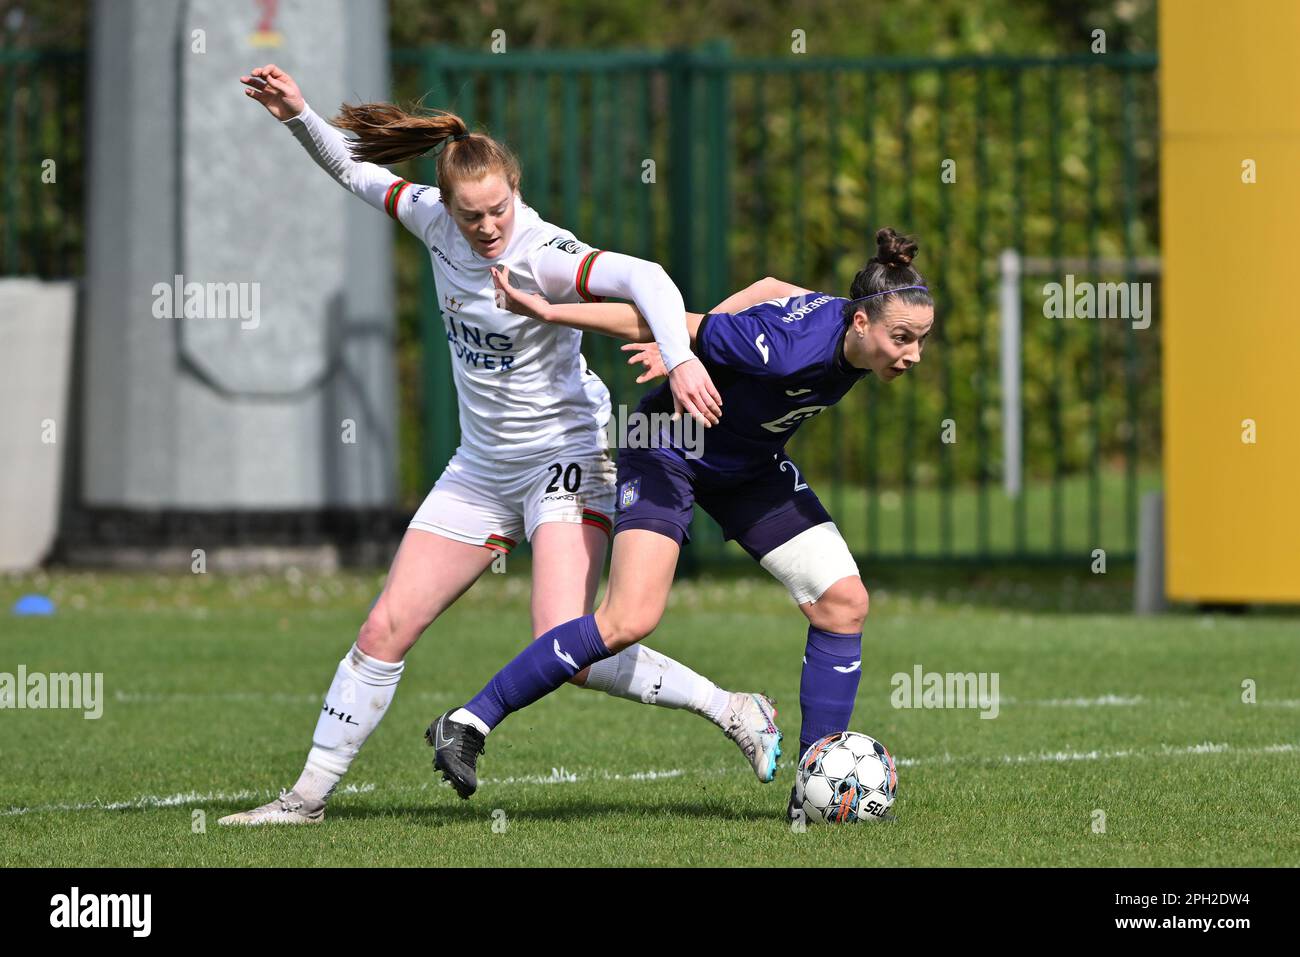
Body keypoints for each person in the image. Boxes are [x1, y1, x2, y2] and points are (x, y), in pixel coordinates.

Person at [219, 64, 782, 825]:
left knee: (564, 645)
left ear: (514, 190)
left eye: (498, 208)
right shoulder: (429, 216)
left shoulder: (543, 251)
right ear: (447, 204)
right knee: (385, 627)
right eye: (472, 213)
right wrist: (297, 115)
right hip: (481, 466)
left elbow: (646, 276)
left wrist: (681, 360)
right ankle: (304, 801)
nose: (487, 226)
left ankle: (733, 707)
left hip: (566, 459)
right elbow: (354, 173)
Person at [429, 228, 934, 823]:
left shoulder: (842, 318)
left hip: (749, 468)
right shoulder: (787, 344)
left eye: (921, 340)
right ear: (859, 324)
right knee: (628, 619)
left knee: (843, 603)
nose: (912, 356)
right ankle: (467, 722)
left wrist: (690, 353)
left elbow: (770, 285)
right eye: (902, 338)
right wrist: (568, 316)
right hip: (668, 449)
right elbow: (661, 317)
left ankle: (812, 793)